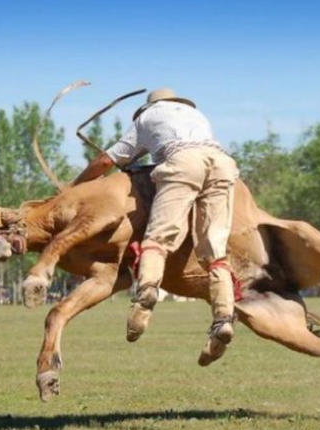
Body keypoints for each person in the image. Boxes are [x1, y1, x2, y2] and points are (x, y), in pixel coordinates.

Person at [76, 88, 240, 363]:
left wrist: (74, 190)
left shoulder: (147, 117)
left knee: (157, 241)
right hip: (223, 164)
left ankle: (146, 295)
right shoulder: (196, 114)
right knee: (214, 252)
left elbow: (106, 161)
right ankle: (223, 318)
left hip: (183, 162)